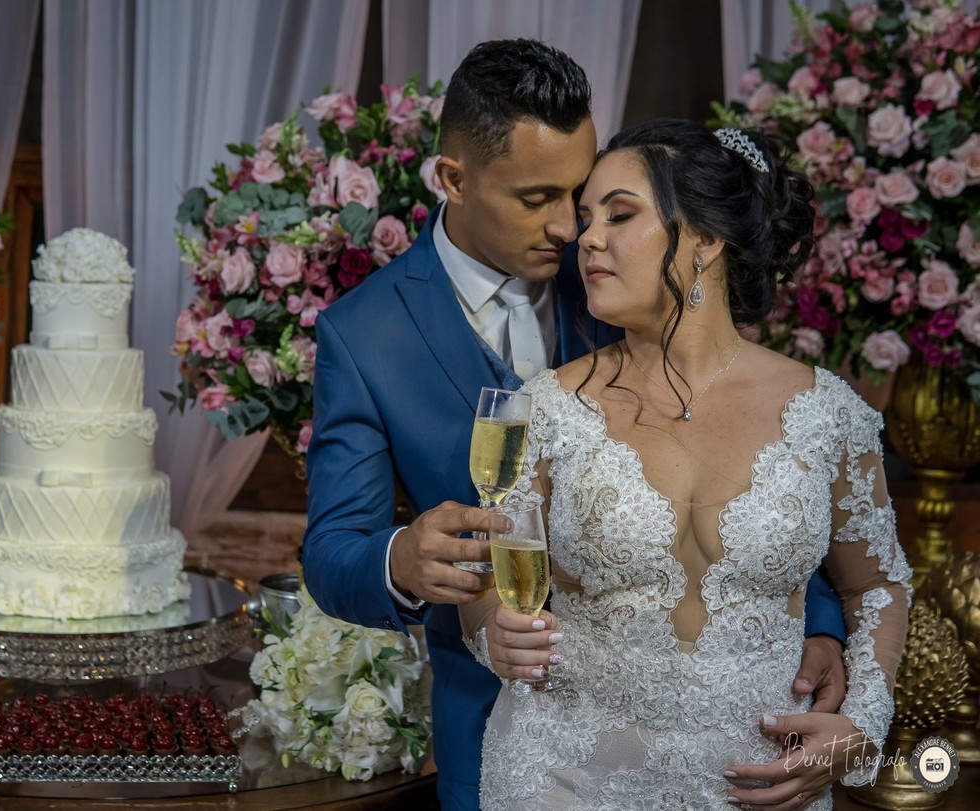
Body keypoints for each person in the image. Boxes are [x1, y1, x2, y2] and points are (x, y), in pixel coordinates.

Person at [303, 40, 849, 810]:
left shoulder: (629, 269)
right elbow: (329, 549)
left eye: (582, 193)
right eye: (537, 199)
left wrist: (822, 628)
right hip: (508, 741)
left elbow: (757, 455)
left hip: (713, 744)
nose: (570, 227)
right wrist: (400, 559)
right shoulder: (363, 336)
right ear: (453, 178)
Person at [460, 118, 913, 810]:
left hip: (762, 788)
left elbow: (877, 583)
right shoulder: (544, 408)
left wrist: (863, 724)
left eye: (619, 214)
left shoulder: (829, 413)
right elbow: (484, 579)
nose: (587, 238)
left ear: (704, 237)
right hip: (560, 779)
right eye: (586, 219)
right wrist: (493, 632)